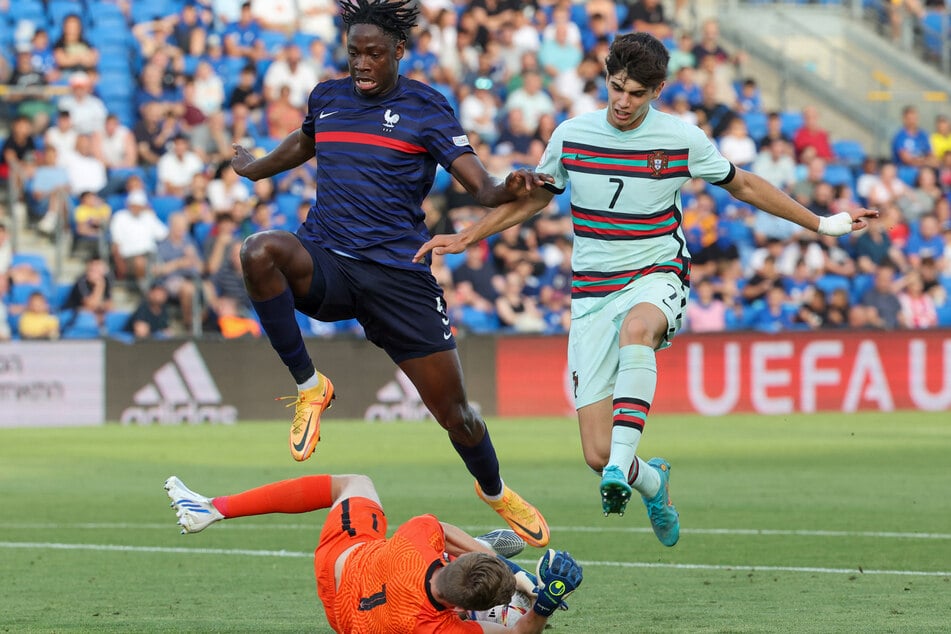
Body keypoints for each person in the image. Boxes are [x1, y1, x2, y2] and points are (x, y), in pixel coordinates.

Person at [415, 32, 878, 545]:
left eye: (636, 93)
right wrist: (466, 236)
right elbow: (534, 201)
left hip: (657, 271)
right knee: (595, 453)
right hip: (592, 293)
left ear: (657, 89)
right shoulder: (572, 135)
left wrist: (826, 223)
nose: (622, 101)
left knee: (639, 330)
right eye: (615, 87)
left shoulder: (682, 139)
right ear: (606, 79)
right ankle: (651, 480)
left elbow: (743, 184)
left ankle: (620, 468)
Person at [230, 0, 551, 548]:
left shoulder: (427, 107)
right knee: (259, 250)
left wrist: (507, 189)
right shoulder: (328, 98)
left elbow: (479, 185)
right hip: (328, 260)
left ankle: (495, 491)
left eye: (373, 53)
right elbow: (305, 143)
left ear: (399, 52)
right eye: (354, 52)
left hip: (399, 278)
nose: (361, 63)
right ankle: (311, 387)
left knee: (458, 415)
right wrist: (254, 167)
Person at [164, 472, 582, 633]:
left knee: (353, 483)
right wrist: (542, 602)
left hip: (340, 563)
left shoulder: (416, 543)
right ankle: (498, 603)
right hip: (348, 624)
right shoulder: (436, 628)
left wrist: (512, 571)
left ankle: (216, 508)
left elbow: (446, 533)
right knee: (508, 628)